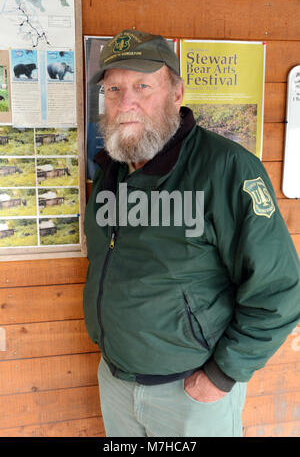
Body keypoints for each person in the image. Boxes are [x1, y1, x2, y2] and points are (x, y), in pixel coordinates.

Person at [83, 29, 300, 437]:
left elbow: (281, 290)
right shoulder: (111, 171)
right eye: (114, 89)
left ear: (177, 92)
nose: (125, 102)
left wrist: (221, 375)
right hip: (116, 382)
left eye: (142, 86)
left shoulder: (227, 169)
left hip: (189, 394)